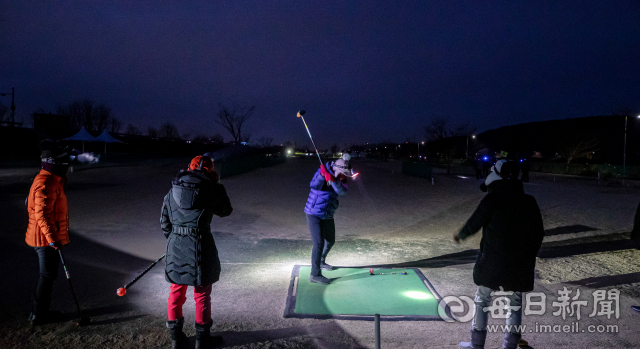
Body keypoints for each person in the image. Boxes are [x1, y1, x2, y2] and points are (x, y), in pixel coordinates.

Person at [454, 161, 544, 349]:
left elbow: (475, 222)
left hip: (492, 261)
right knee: (515, 302)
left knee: (483, 299)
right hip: (519, 262)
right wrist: (529, 255)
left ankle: (476, 344)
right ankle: (510, 345)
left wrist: (461, 235)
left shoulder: (492, 199)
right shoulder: (529, 201)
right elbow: (538, 233)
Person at [161, 155, 232, 349]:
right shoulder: (210, 189)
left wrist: (176, 240)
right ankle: (202, 339)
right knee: (202, 294)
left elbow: (164, 222)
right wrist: (217, 185)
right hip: (202, 245)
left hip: (176, 245)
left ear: (189, 168)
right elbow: (226, 210)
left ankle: (176, 339)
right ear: (209, 170)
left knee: (176, 291)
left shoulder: (173, 189)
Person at [25, 140, 71, 326]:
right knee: (46, 276)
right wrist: (53, 240)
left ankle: (39, 312)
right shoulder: (46, 183)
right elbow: (42, 215)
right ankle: (38, 315)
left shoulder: (48, 179)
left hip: (44, 237)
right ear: (53, 163)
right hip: (44, 239)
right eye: (61, 162)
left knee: (48, 276)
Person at [303, 159, 350, 285]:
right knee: (318, 243)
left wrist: (333, 180)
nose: (344, 177)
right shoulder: (322, 171)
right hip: (314, 213)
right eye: (342, 174)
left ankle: (321, 261)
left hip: (327, 214)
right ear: (337, 170)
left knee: (330, 241)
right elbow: (314, 185)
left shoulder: (340, 178)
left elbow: (342, 191)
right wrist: (321, 175)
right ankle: (315, 274)